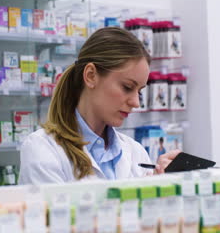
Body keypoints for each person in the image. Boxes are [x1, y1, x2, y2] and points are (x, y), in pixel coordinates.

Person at [19, 27, 180, 184]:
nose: (136, 103)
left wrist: (158, 187)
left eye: (139, 91)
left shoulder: (135, 152)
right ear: (90, 76)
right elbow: (55, 211)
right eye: (127, 87)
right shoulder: (43, 149)